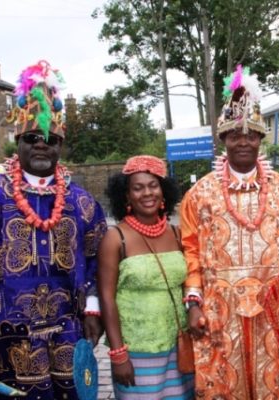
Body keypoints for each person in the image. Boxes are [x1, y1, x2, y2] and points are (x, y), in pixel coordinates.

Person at [0, 61, 107, 399]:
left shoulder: (82, 203)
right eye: (32, 138)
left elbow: (94, 258)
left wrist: (93, 308)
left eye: (50, 139)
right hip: (5, 334)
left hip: (68, 329)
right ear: (18, 141)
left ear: (60, 145)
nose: (41, 145)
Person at [179, 65, 279, 399]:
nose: (243, 141)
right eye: (235, 134)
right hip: (219, 303)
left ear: (260, 139)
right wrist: (193, 302)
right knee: (224, 382)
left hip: (275, 298)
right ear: (224, 139)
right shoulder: (199, 195)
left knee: (277, 379)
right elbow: (191, 253)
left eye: (250, 134)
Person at [97, 155, 194, 399]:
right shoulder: (115, 238)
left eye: (153, 185)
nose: (147, 193)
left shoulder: (177, 233)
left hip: (179, 345)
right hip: (136, 351)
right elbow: (106, 298)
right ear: (127, 196)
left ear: (163, 192)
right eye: (137, 188)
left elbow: (190, 283)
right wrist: (118, 353)